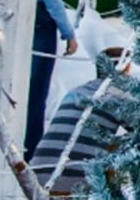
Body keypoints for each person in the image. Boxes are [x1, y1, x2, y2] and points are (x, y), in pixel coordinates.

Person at [29, 47, 131, 195]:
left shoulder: (75, 92)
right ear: (126, 70)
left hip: (37, 175)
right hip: (75, 180)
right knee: (119, 147)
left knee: (106, 142)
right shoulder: (120, 96)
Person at [25, 0, 78, 158]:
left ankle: (25, 143)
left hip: (26, 22)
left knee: (27, 89)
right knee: (37, 91)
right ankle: (32, 149)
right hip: (41, 26)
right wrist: (68, 32)